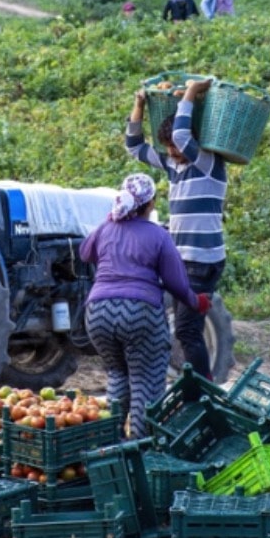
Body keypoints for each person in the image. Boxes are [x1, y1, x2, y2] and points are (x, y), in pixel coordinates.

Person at [79, 173, 209, 439]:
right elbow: (176, 283)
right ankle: (141, 447)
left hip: (98, 314)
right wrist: (197, 302)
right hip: (139, 313)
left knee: (117, 375)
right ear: (150, 204)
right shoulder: (158, 235)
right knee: (145, 381)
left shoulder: (106, 229)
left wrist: (108, 221)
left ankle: (110, 441)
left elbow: (85, 253)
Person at [126, 78, 227, 382]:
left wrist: (193, 93)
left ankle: (203, 389)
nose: (172, 151)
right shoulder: (174, 166)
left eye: (175, 146)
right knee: (185, 328)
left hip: (201, 260)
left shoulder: (208, 163)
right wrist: (139, 105)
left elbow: (182, 136)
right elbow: (134, 147)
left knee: (186, 330)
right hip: (184, 261)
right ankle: (200, 386)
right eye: (168, 147)